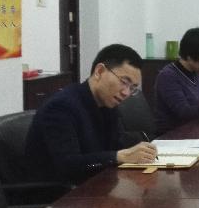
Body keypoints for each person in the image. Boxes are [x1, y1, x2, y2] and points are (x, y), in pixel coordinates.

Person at [26, 44, 157, 184]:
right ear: (99, 71)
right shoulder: (61, 107)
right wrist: (118, 157)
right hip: (60, 193)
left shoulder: (107, 104)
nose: (126, 93)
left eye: (132, 88)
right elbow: (69, 165)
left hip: (96, 184)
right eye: (124, 82)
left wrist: (140, 149)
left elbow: (115, 145)